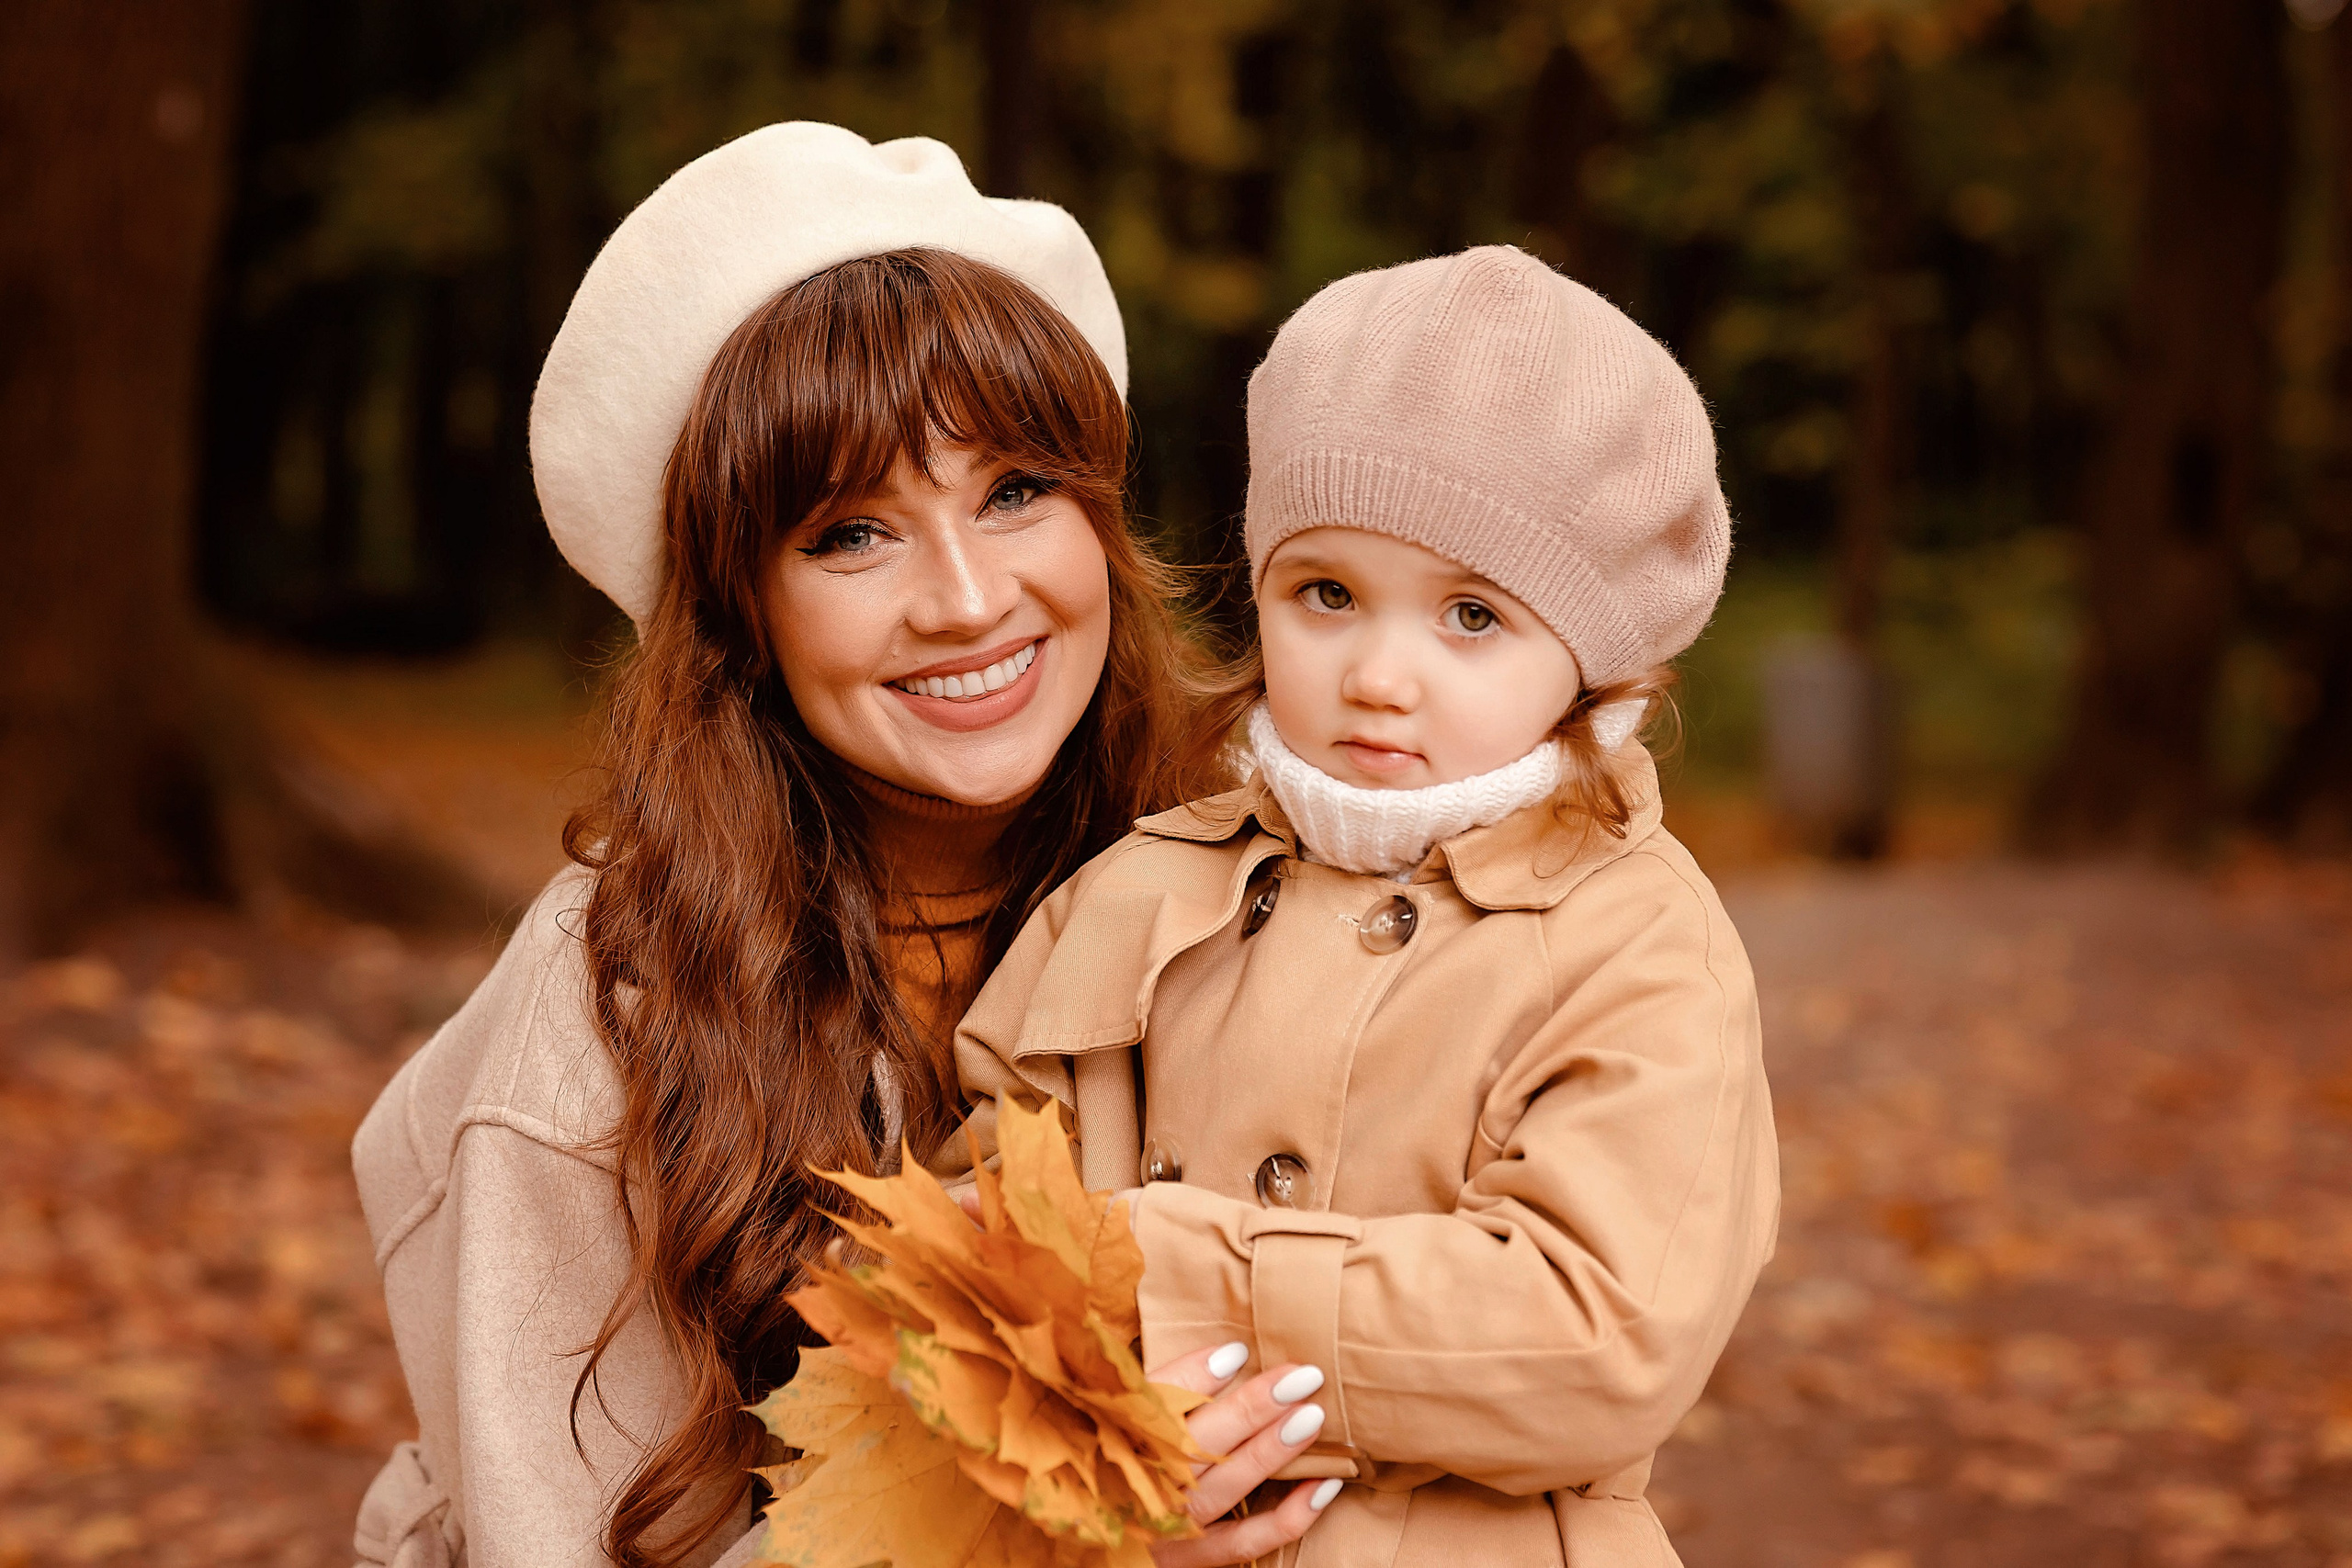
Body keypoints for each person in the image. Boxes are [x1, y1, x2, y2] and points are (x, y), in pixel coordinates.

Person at [349, 123, 1335, 1568]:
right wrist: (1053, 1539)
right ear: (738, 611)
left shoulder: (1241, 861)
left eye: (1014, 492)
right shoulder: (599, 1034)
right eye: (851, 535)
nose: (963, 599)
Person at [954, 245, 1780, 1565]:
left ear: (1592, 655)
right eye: (1326, 594)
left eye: (1470, 615)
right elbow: (972, 1245)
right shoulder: (1135, 891)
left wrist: (1168, 1270)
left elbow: (1596, 1338)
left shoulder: (1634, 942)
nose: (1381, 676)